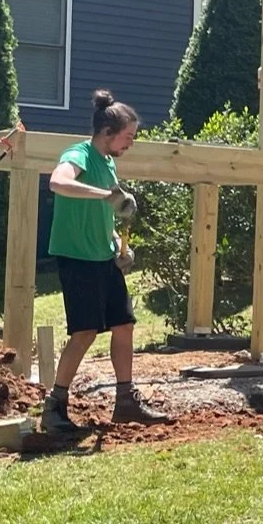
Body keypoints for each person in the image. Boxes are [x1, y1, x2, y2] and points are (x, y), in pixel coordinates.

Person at [41, 91, 172, 434]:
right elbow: (58, 182)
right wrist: (107, 195)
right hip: (77, 258)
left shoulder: (109, 162)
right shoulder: (78, 154)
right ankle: (54, 408)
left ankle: (125, 402)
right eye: (128, 136)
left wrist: (118, 246)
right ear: (107, 132)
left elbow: (105, 213)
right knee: (84, 333)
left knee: (124, 325)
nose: (130, 143)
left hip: (103, 257)